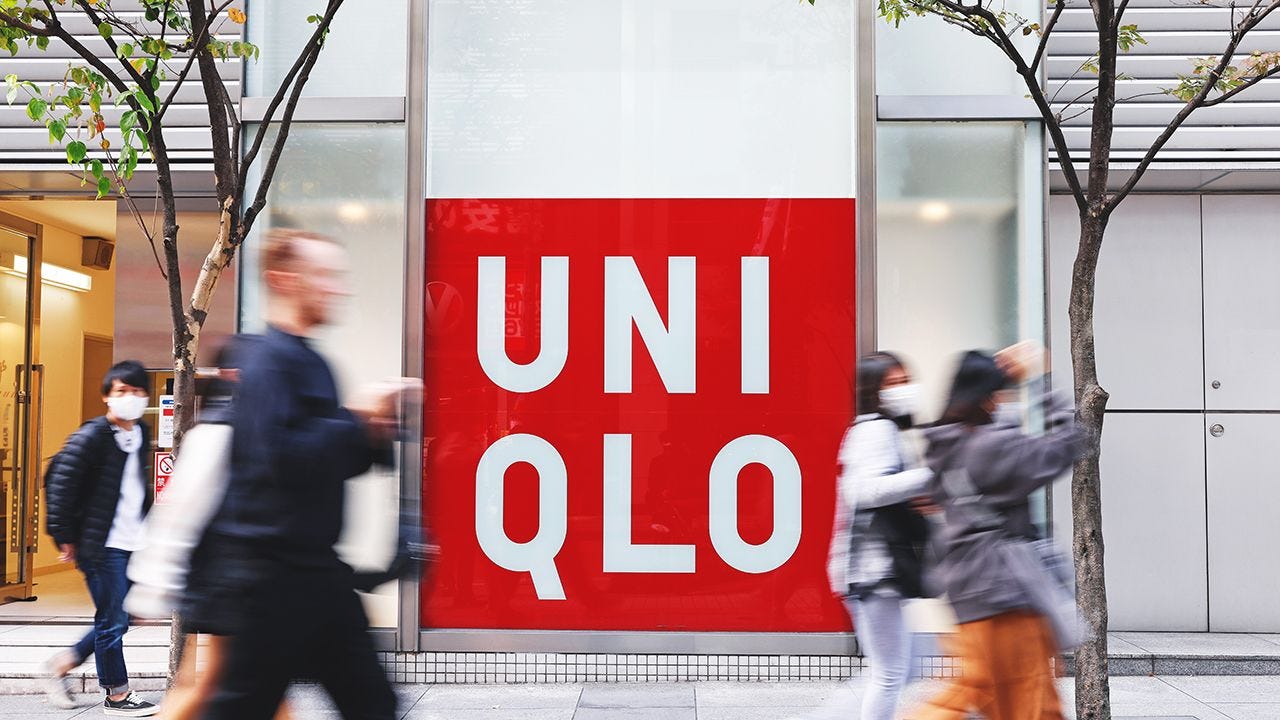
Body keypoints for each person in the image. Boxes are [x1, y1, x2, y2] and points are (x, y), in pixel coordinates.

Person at [198, 229, 407, 720]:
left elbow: (334, 461)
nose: (339, 288)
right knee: (239, 708)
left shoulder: (314, 362)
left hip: (318, 577)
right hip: (269, 581)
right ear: (283, 280)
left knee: (374, 703)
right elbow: (279, 460)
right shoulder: (267, 363)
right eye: (325, 276)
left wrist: (373, 429)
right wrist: (354, 417)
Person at [905, 344, 1083, 720]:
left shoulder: (945, 444)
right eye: (1003, 393)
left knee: (984, 692)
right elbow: (1066, 446)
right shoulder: (992, 447)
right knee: (1034, 705)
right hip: (1004, 592)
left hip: (967, 590)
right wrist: (1041, 380)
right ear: (988, 397)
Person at [123, 338, 294, 720]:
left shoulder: (246, 425)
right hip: (226, 588)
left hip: (234, 587)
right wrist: (151, 590)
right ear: (234, 376)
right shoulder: (220, 430)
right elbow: (179, 513)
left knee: (247, 686)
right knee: (215, 686)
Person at [43, 360, 160, 717]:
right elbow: (60, 486)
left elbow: (138, 492)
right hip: (100, 544)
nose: (130, 398)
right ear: (107, 397)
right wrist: (64, 537)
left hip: (132, 542)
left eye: (137, 391)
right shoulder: (91, 436)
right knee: (112, 620)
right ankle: (117, 695)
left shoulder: (140, 434)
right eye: (121, 391)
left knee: (124, 616)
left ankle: (63, 662)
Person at [826, 352, 933, 720]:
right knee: (890, 673)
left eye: (905, 381)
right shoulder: (876, 429)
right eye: (893, 383)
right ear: (873, 390)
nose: (903, 390)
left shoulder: (877, 428)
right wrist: (928, 477)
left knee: (901, 668)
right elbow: (865, 491)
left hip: (871, 566)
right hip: (872, 566)